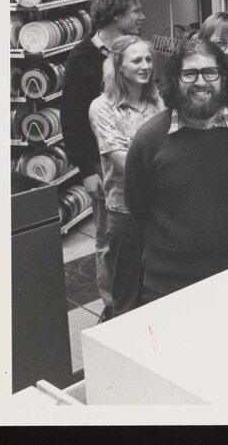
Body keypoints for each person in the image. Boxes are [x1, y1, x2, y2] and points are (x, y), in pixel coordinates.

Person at [119, 39, 228, 314]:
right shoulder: (149, 139)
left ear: (225, 78)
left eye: (210, 72)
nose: (201, 82)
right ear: (174, 79)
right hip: (168, 288)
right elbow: (137, 207)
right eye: (189, 73)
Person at [63, 0, 145, 320]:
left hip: (135, 162)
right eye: (135, 10)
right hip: (102, 169)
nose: (142, 15)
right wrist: (86, 171)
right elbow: (72, 118)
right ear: (115, 14)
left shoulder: (134, 51)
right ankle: (111, 304)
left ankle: (137, 294)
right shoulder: (83, 58)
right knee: (106, 237)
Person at [87, 36, 164, 321]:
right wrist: (165, 163)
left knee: (157, 288)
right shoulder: (102, 107)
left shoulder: (159, 100)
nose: (145, 66)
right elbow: (121, 162)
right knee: (127, 295)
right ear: (118, 66)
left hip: (160, 209)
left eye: (148, 59)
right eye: (136, 60)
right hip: (125, 210)